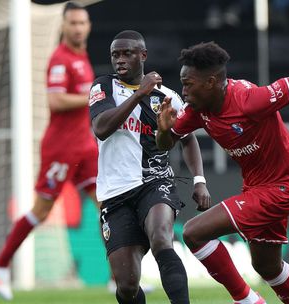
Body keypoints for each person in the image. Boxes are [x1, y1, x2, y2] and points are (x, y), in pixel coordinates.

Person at [156, 41, 289, 304]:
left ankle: (247, 300)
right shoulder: (199, 110)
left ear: (210, 82)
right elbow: (167, 143)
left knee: (193, 232)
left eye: (189, 84)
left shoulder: (248, 101)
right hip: (256, 186)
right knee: (267, 267)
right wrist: (164, 130)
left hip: (281, 186)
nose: (183, 91)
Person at [90, 30, 264, 304]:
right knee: (127, 285)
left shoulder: (167, 96)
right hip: (114, 193)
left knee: (161, 238)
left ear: (143, 55)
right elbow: (101, 128)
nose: (120, 60)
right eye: (115, 55)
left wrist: (199, 180)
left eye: (127, 54)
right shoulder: (103, 87)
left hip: (154, 183)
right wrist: (138, 95)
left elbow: (187, 139)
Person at [0, 2, 97, 300]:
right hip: (60, 149)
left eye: (81, 23)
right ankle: (0, 265)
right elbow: (57, 102)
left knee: (108, 209)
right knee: (42, 210)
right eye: (72, 23)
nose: (77, 28)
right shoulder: (60, 59)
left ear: (88, 26)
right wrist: (91, 96)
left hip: (85, 147)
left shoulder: (82, 57)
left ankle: (118, 277)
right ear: (63, 25)